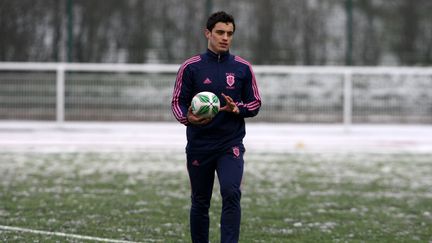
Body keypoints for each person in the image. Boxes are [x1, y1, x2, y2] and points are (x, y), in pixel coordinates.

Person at [171, 11, 261, 243]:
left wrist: (237, 108)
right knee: (200, 201)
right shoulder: (191, 67)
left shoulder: (242, 68)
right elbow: (177, 103)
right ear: (208, 33)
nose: (225, 38)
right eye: (220, 32)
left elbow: (255, 103)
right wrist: (188, 118)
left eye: (230, 34)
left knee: (231, 193)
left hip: (229, 144)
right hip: (200, 145)